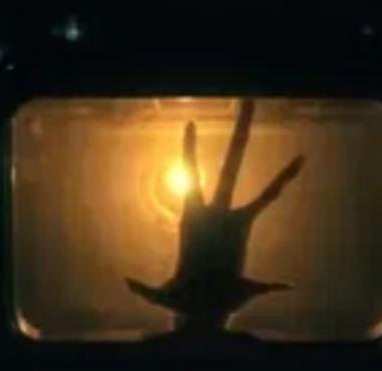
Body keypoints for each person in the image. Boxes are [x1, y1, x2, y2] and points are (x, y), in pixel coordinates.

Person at [125, 99, 305, 336]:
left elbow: (151, 295)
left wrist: (271, 287)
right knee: (229, 165)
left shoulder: (221, 300)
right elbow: (149, 294)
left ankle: (247, 109)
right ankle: (246, 110)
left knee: (238, 169)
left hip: (222, 228)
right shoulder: (182, 299)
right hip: (210, 226)